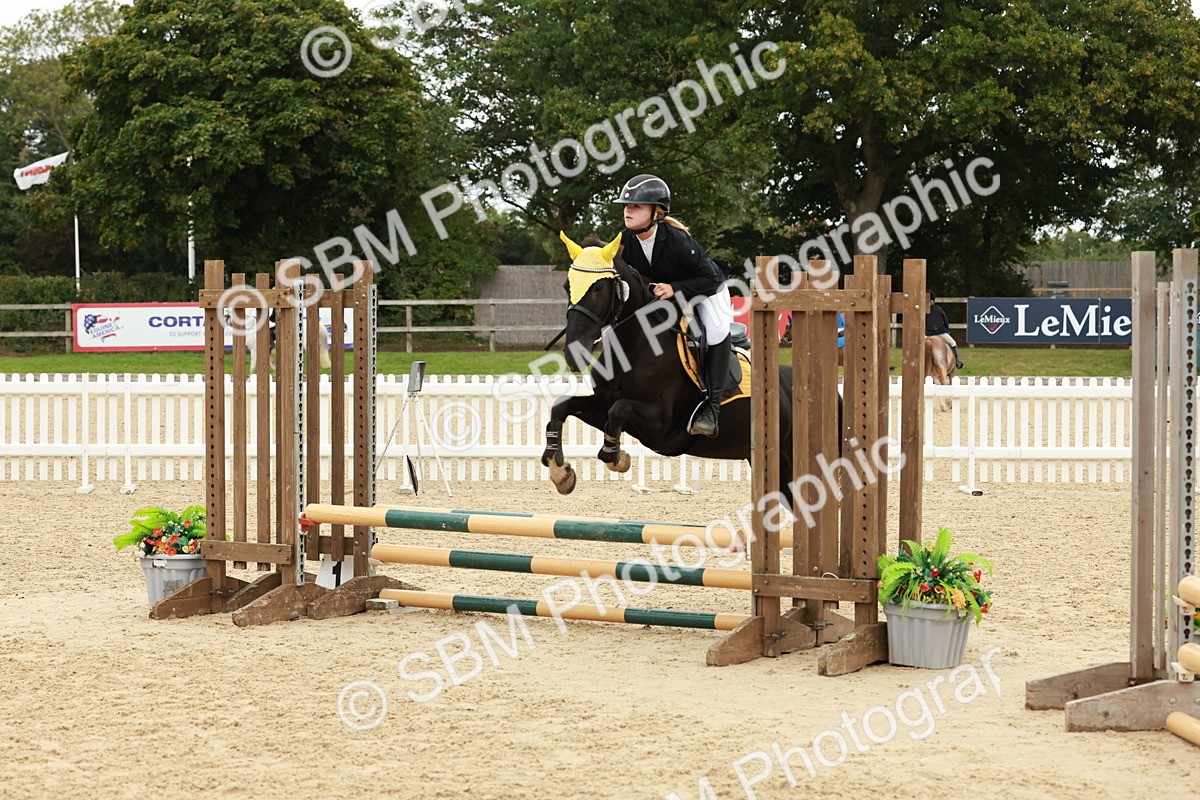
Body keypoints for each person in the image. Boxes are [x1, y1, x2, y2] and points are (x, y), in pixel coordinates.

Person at [613, 173, 734, 437]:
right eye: (626, 205)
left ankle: (711, 409)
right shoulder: (626, 241)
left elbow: (709, 279)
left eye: (636, 206)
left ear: (656, 212)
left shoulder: (678, 240)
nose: (628, 210)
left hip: (707, 291)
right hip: (666, 295)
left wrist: (675, 288)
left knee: (714, 331)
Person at [926, 290, 964, 369]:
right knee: (953, 343)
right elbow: (945, 320)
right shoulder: (938, 309)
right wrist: (946, 330)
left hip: (927, 334)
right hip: (940, 332)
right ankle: (957, 362)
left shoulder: (922, 310)